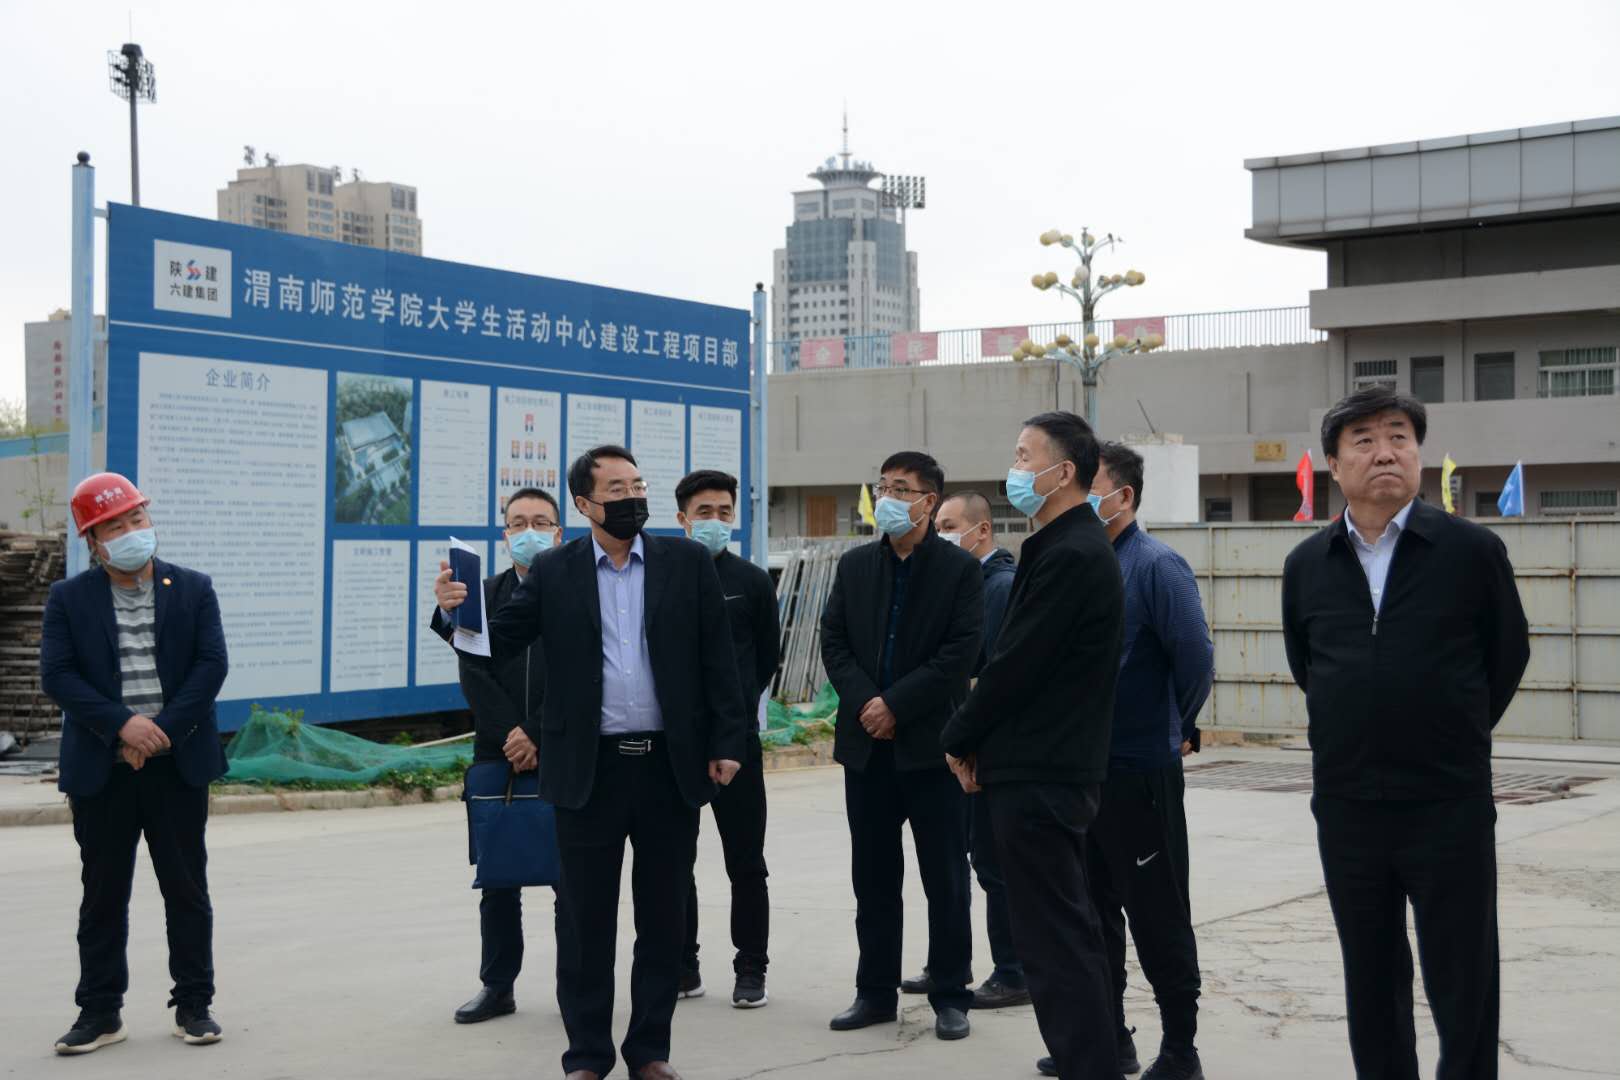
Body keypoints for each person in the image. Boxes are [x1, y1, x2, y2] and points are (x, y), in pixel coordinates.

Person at [434, 446, 748, 1080]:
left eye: (638, 485)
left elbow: (718, 659)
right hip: (587, 770)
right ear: (585, 504)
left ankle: (649, 1052)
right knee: (585, 921)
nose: (633, 497)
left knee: (663, 917)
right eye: (617, 489)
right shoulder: (556, 570)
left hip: (667, 768)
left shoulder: (685, 563)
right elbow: (498, 641)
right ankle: (586, 1056)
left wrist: (727, 742)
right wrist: (452, 612)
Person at [1282, 388, 1529, 1080]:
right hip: (1348, 804)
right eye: (1363, 440)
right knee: (1371, 977)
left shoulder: (1471, 551)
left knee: (1464, 977)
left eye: (1399, 437)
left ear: (1419, 454)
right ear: (1335, 464)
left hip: (1447, 802)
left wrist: (1449, 731)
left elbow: (1506, 656)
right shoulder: (1307, 564)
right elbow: (1308, 665)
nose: (1385, 452)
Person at [941, 411, 1125, 1080]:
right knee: (1060, 933)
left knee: (1056, 940)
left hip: (1044, 771)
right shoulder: (1060, 546)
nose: (1015, 468)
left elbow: (1016, 663)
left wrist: (958, 735)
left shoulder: (1072, 554)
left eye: (1025, 456)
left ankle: (1090, 1065)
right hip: (1040, 764)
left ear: (1063, 471)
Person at [40, 472, 229, 1055]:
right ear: (93, 543)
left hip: (176, 765)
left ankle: (194, 1004)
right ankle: (100, 1012)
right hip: (103, 768)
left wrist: (157, 731)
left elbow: (210, 666)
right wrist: (122, 726)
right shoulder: (68, 598)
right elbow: (59, 676)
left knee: (186, 890)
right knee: (102, 895)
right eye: (113, 527)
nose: (129, 533)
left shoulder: (193, 588)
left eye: (135, 519)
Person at [1042, 442, 1213, 1080]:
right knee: (1090, 915)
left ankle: (1181, 1049)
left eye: (1092, 487)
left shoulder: (1155, 566)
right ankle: (1107, 1038)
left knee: (1158, 913)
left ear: (1124, 497)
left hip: (1140, 772)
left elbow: (1194, 661)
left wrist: (1171, 727)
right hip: (1078, 773)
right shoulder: (1074, 564)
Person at [820, 451, 983, 1042]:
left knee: (946, 879)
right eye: (883, 486)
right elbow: (834, 641)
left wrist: (896, 704)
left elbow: (959, 654)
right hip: (867, 750)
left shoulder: (959, 570)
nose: (888, 498)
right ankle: (874, 992)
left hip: (933, 749)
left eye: (901, 489)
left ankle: (950, 993)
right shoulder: (855, 565)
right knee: (873, 879)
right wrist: (869, 702)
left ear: (929, 501)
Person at [902, 490, 1028, 1009]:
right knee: (966, 861)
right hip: (968, 745)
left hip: (988, 749)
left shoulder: (997, 587)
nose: (942, 535)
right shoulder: (967, 583)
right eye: (939, 526)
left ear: (982, 531)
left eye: (950, 526)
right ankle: (950, 965)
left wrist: (969, 742)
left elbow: (990, 675)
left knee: (994, 865)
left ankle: (1013, 971)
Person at [453, 487, 574, 1025]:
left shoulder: (579, 590)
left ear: (559, 533)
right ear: (504, 535)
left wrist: (538, 732)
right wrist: (512, 734)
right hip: (496, 749)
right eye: (518, 522)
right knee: (498, 876)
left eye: (540, 522)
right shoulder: (480, 596)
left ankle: (576, 986)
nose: (529, 531)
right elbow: (472, 670)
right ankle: (497, 985)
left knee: (572, 879)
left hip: (564, 746)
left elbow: (585, 672)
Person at [673, 469, 780, 1009]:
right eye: (704, 513)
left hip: (737, 746)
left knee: (746, 862)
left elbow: (764, 661)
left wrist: (732, 731)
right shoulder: (664, 578)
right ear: (682, 519)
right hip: (677, 747)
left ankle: (751, 969)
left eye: (724, 512)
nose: (715, 521)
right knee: (675, 862)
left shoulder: (752, 581)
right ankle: (683, 965)